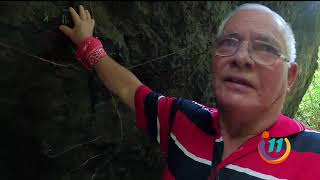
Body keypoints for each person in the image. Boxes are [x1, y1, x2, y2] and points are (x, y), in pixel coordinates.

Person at [59, 3, 320, 180]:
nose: (241, 57)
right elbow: (129, 89)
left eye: (265, 47)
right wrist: (88, 44)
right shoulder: (183, 120)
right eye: (229, 42)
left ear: (291, 76)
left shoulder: (314, 155)